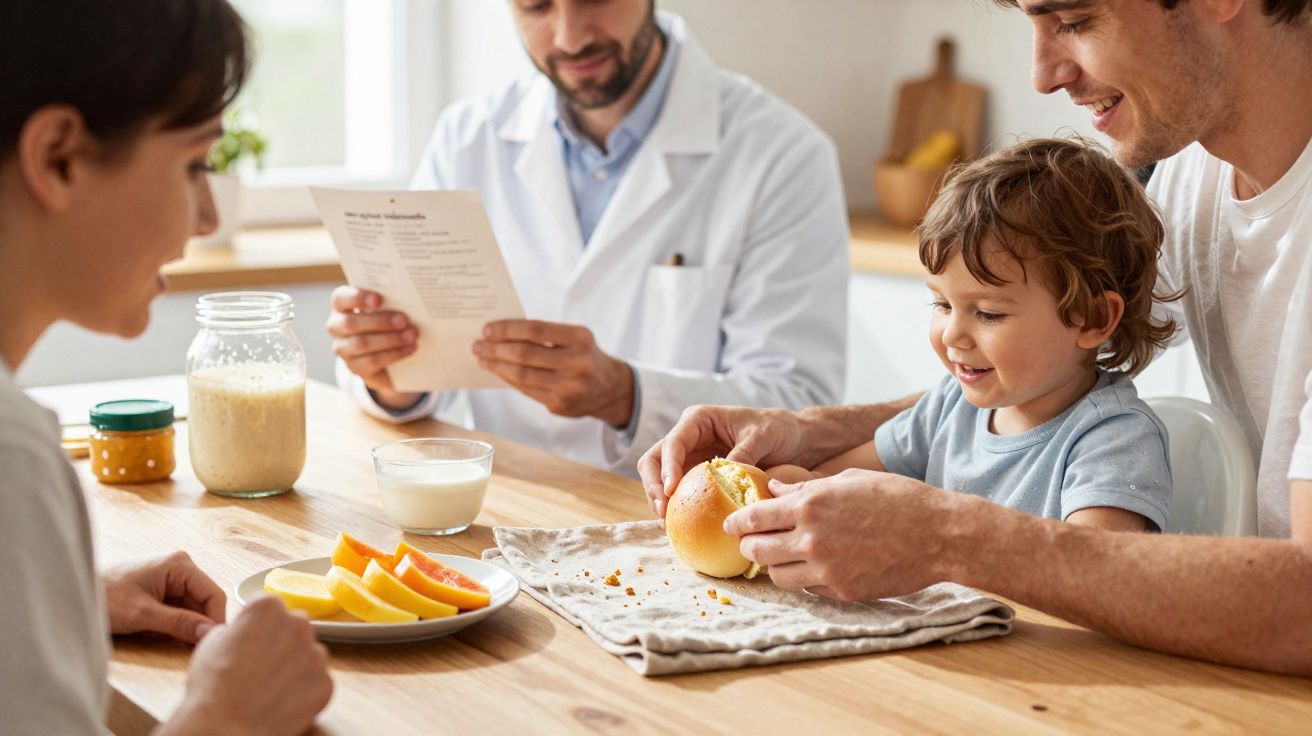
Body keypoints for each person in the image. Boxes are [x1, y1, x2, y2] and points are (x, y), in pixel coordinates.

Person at [640, 0, 1312, 675]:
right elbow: (1037, 377)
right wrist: (806, 432)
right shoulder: (1187, 171)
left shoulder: (1115, 439)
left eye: (1073, 20)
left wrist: (947, 537)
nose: (1041, 76)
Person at [327, 0, 849, 475]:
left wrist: (628, 396)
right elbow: (419, 369)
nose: (570, 38)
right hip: (500, 502)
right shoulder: (467, 139)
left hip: (668, 523)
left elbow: (797, 405)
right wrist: (387, 371)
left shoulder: (783, 155)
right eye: (536, 7)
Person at [0, 1, 333, 733]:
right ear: (58, 156)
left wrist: (65, 598)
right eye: (193, 164)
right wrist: (222, 717)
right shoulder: (12, 459)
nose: (208, 217)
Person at [766, 138, 1176, 533]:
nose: (952, 335)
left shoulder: (1114, 440)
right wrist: (786, 486)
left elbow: (1091, 576)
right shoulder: (950, 406)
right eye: (942, 305)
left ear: (1091, 318)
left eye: (988, 313)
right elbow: (828, 484)